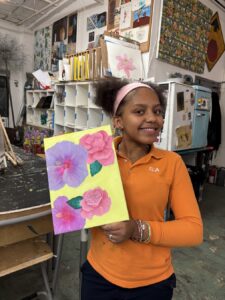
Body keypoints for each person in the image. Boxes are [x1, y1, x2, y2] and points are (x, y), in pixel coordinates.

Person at [81, 78, 203, 300]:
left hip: (152, 284)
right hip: (99, 275)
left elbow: (193, 230)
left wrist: (136, 229)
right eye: (139, 111)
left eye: (157, 111)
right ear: (118, 121)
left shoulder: (171, 163)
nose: (152, 118)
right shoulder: (95, 156)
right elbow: (78, 208)